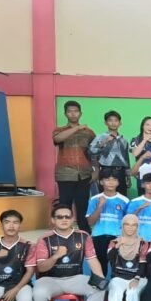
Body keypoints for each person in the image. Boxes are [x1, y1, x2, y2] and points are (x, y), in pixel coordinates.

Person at [31, 205, 107, 301]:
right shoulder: (45, 239)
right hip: (50, 279)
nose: (64, 219)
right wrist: (56, 256)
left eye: (67, 216)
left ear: (73, 219)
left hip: (75, 278)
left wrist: (100, 278)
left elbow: (92, 260)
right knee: (39, 292)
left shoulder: (83, 236)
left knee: (99, 287)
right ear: (53, 220)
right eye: (60, 217)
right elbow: (41, 267)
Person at [53, 100, 95, 233]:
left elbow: (94, 152)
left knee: (83, 205)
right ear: (65, 114)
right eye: (70, 111)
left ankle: (85, 233)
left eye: (75, 111)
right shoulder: (59, 130)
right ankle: (63, 232)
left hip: (84, 174)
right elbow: (57, 139)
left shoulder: (89, 132)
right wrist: (77, 128)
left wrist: (97, 171)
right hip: (65, 174)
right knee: (65, 205)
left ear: (80, 113)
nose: (73, 114)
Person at [106, 214, 150, 301]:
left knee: (132, 292)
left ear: (137, 227)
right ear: (122, 226)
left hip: (138, 277)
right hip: (119, 277)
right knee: (115, 291)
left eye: (134, 225)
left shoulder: (143, 243)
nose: (130, 228)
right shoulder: (114, 242)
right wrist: (117, 246)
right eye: (127, 224)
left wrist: (136, 278)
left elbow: (143, 264)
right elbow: (110, 258)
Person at [86, 169, 128, 275]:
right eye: (107, 179)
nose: (111, 182)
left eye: (114, 180)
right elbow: (90, 222)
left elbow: (127, 223)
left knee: (118, 268)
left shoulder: (124, 200)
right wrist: (100, 206)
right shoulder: (94, 199)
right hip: (98, 236)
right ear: (101, 182)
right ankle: (98, 285)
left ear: (118, 182)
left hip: (117, 237)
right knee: (99, 268)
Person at [89, 110, 131, 196]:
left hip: (121, 172)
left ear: (120, 123)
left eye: (116, 120)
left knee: (121, 197)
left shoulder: (124, 140)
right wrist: (104, 142)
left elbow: (126, 158)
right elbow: (91, 151)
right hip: (106, 171)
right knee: (105, 198)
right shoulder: (100, 137)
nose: (113, 123)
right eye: (110, 120)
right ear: (106, 123)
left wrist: (128, 175)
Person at [126, 173, 151, 241]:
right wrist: (139, 208)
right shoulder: (134, 202)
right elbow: (128, 220)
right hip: (137, 239)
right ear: (143, 185)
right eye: (148, 183)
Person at [130, 116, 151, 192]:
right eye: (147, 125)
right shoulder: (135, 140)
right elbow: (135, 154)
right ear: (142, 126)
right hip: (141, 175)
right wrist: (145, 140)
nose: (150, 127)